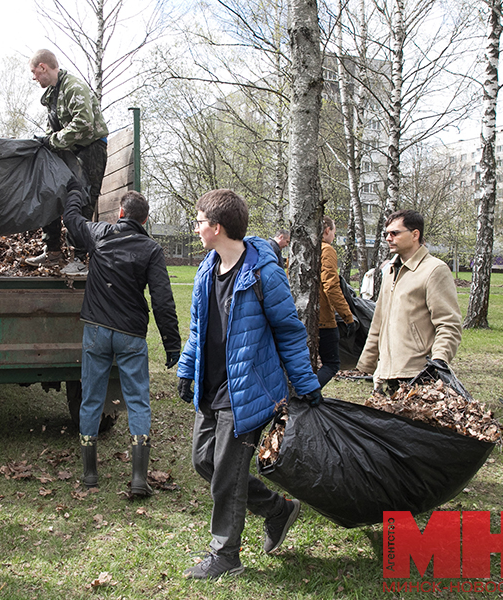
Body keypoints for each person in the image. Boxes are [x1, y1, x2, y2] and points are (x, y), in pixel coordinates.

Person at [176, 189, 321, 580]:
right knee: (204, 461)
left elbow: (290, 332)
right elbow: (198, 329)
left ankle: (226, 554)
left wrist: (305, 383)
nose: (196, 227)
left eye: (199, 221)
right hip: (211, 386)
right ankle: (277, 509)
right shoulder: (207, 268)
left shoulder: (264, 272)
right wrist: (187, 370)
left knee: (226, 474)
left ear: (217, 227)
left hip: (248, 391)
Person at [62, 181, 181, 496]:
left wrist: (75, 194)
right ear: (144, 220)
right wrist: (172, 344)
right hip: (130, 335)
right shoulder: (152, 250)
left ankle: (89, 476)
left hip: (97, 331)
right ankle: (139, 480)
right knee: (139, 401)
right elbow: (162, 300)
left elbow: (72, 221)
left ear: (121, 213)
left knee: (91, 399)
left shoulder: (99, 234)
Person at [356, 209, 462, 392]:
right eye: (386, 234)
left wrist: (438, 362)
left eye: (394, 233)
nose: (389, 238)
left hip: (418, 373)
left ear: (415, 234)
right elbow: (379, 321)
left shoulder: (435, 270)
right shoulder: (390, 271)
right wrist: (368, 363)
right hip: (388, 372)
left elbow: (448, 324)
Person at [25, 49, 109, 275]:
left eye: (34, 72)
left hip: (90, 148)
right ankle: (52, 252)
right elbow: (52, 127)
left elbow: (84, 123)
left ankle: (80, 258)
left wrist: (52, 140)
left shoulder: (73, 87)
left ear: (43, 67)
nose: (34, 78)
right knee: (50, 192)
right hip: (68, 150)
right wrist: (44, 140)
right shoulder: (53, 94)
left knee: (82, 200)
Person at [318, 216, 355, 387]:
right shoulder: (326, 250)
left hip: (301, 316)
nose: (333, 236)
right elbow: (331, 286)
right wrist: (347, 316)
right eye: (334, 231)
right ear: (327, 230)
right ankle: (306, 395)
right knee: (332, 364)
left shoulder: (302, 248)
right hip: (323, 319)